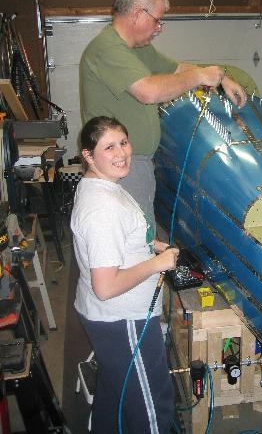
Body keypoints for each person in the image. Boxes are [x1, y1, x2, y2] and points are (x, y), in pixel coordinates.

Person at [79, 0, 247, 230]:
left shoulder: (135, 48)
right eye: (157, 20)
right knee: (133, 236)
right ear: (137, 13)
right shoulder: (107, 48)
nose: (159, 28)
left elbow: (177, 68)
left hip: (136, 161)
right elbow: (148, 91)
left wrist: (222, 77)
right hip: (120, 163)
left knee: (141, 229)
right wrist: (200, 77)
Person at [70, 116, 179, 434]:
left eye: (123, 142)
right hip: (123, 321)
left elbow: (112, 243)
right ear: (88, 156)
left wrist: (148, 244)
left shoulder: (102, 185)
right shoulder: (102, 208)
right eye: (108, 147)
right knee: (152, 406)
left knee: (115, 394)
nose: (121, 153)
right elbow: (105, 286)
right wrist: (155, 265)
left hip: (110, 318)